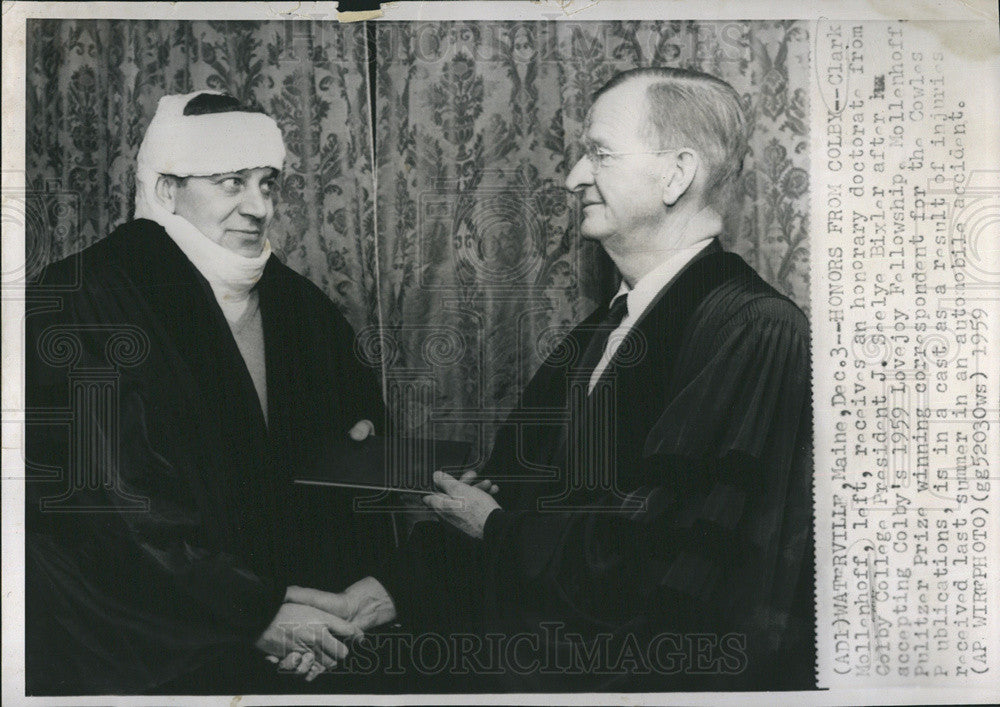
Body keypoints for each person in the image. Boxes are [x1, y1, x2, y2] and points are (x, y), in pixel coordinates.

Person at [288, 67, 815, 692]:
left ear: (677, 174)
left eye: (599, 154)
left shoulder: (754, 329)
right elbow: (514, 495)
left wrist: (493, 526)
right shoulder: (602, 330)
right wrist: (376, 598)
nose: (573, 178)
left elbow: (677, 566)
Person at [24, 91, 396, 694]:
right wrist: (255, 613)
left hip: (291, 626)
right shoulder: (79, 301)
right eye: (231, 183)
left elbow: (346, 469)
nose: (259, 208)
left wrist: (325, 611)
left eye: (268, 184)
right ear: (167, 191)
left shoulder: (301, 307)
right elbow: (109, 512)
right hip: (141, 638)